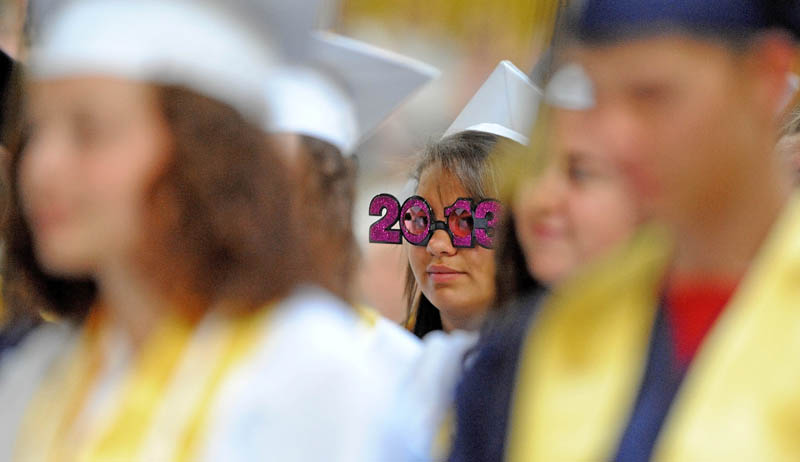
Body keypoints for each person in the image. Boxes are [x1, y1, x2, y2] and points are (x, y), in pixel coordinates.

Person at [0, 1, 408, 460]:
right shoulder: (40, 376)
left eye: (90, 132)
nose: (40, 168)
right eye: (35, 129)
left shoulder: (307, 381)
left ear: (201, 156)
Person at [450, 1, 800, 460]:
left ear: (767, 78)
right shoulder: (532, 348)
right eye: (597, 95)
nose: (616, 136)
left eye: (651, 95)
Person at [403, 60, 540, 338]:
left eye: (466, 221)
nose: (438, 245)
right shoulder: (387, 366)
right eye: (421, 220)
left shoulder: (570, 375)